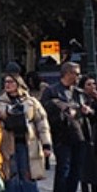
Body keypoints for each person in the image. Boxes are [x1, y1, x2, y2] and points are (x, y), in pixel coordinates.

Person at [0, 74, 50, 192]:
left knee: (28, 174)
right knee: (10, 174)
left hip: (28, 143)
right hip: (7, 145)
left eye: (11, 82)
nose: (7, 85)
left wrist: (46, 144)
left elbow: (42, 123)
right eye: (6, 82)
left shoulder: (32, 102)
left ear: (19, 84)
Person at [42, 62, 87, 192]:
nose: (79, 77)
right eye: (76, 74)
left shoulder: (78, 93)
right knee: (63, 170)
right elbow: (45, 111)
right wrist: (63, 108)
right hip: (62, 137)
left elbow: (82, 111)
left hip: (79, 135)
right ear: (68, 73)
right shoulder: (52, 91)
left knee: (76, 170)